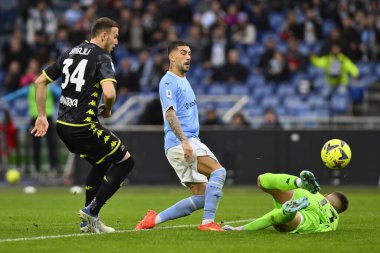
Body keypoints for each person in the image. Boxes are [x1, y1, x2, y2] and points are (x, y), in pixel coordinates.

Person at [31, 17, 135, 233]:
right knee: (126, 163)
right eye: (115, 37)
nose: (116, 42)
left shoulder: (71, 52)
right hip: (84, 126)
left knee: (101, 162)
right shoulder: (103, 57)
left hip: (62, 126)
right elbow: (110, 92)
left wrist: (41, 116)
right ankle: (92, 212)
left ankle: (88, 224)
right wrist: (107, 108)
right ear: (104, 35)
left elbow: (39, 82)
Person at [135, 41, 227, 231]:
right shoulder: (168, 81)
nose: (188, 57)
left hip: (182, 143)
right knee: (219, 172)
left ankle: (153, 220)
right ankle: (208, 222)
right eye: (183, 53)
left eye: (190, 54)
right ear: (172, 57)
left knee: (202, 197)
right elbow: (169, 114)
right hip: (181, 142)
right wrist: (185, 141)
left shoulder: (183, 80)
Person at [223, 170, 349, 233]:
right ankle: (288, 213)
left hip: (309, 198)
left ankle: (298, 182)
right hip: (315, 220)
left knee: (262, 180)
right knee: (282, 221)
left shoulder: (317, 195)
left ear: (326, 195)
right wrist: (240, 229)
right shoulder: (335, 220)